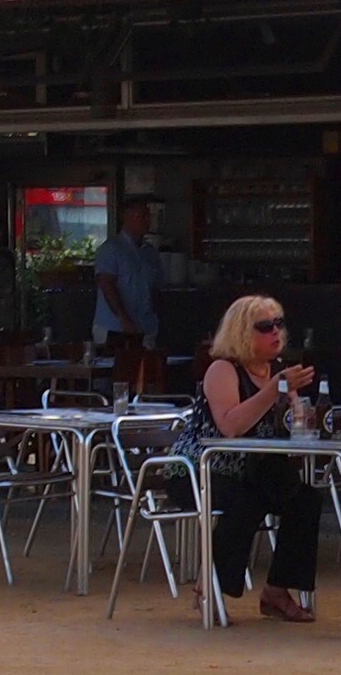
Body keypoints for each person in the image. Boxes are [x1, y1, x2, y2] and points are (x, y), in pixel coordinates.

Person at [194, 291, 324, 622]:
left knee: (306, 499)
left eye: (278, 324)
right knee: (246, 501)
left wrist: (303, 414)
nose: (276, 332)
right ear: (241, 333)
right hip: (207, 468)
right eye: (265, 326)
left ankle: (278, 590)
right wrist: (274, 390)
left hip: (258, 466)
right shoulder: (223, 370)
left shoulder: (278, 372)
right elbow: (230, 427)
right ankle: (211, 586)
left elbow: (292, 425)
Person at [91, 198, 167, 365]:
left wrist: (155, 316)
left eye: (148, 216)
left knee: (146, 373)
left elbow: (156, 287)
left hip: (145, 326)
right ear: (127, 218)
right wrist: (123, 318)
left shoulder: (150, 253)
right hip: (114, 327)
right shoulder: (111, 249)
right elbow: (107, 285)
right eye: (142, 216)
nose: (147, 221)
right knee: (116, 375)